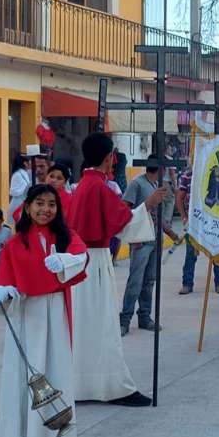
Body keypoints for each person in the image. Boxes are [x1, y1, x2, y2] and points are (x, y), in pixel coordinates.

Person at [0, 183, 89, 437]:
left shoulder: (66, 237)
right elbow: (5, 279)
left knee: (58, 373)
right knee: (33, 376)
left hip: (57, 310)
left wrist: (65, 259)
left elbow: (81, 257)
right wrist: (0, 292)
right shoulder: (16, 244)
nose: (45, 209)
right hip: (29, 315)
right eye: (39, 203)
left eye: (51, 204)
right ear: (27, 207)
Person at [70, 132, 150, 406]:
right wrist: (147, 206)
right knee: (103, 326)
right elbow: (123, 222)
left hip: (81, 262)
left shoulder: (83, 184)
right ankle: (114, 385)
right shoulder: (99, 187)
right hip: (95, 259)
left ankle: (80, 384)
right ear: (109, 158)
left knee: (85, 326)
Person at [121, 162, 177, 334]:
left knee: (150, 280)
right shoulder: (137, 184)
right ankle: (125, 320)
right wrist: (132, 237)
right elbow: (125, 211)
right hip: (141, 240)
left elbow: (157, 214)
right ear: (161, 169)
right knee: (135, 281)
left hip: (155, 239)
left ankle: (145, 317)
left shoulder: (156, 186)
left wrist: (170, 232)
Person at [177, 167, 219, 295]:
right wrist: (184, 217)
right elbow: (179, 197)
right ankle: (187, 284)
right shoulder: (188, 175)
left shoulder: (218, 173)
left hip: (214, 223)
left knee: (217, 253)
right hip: (194, 223)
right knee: (190, 254)